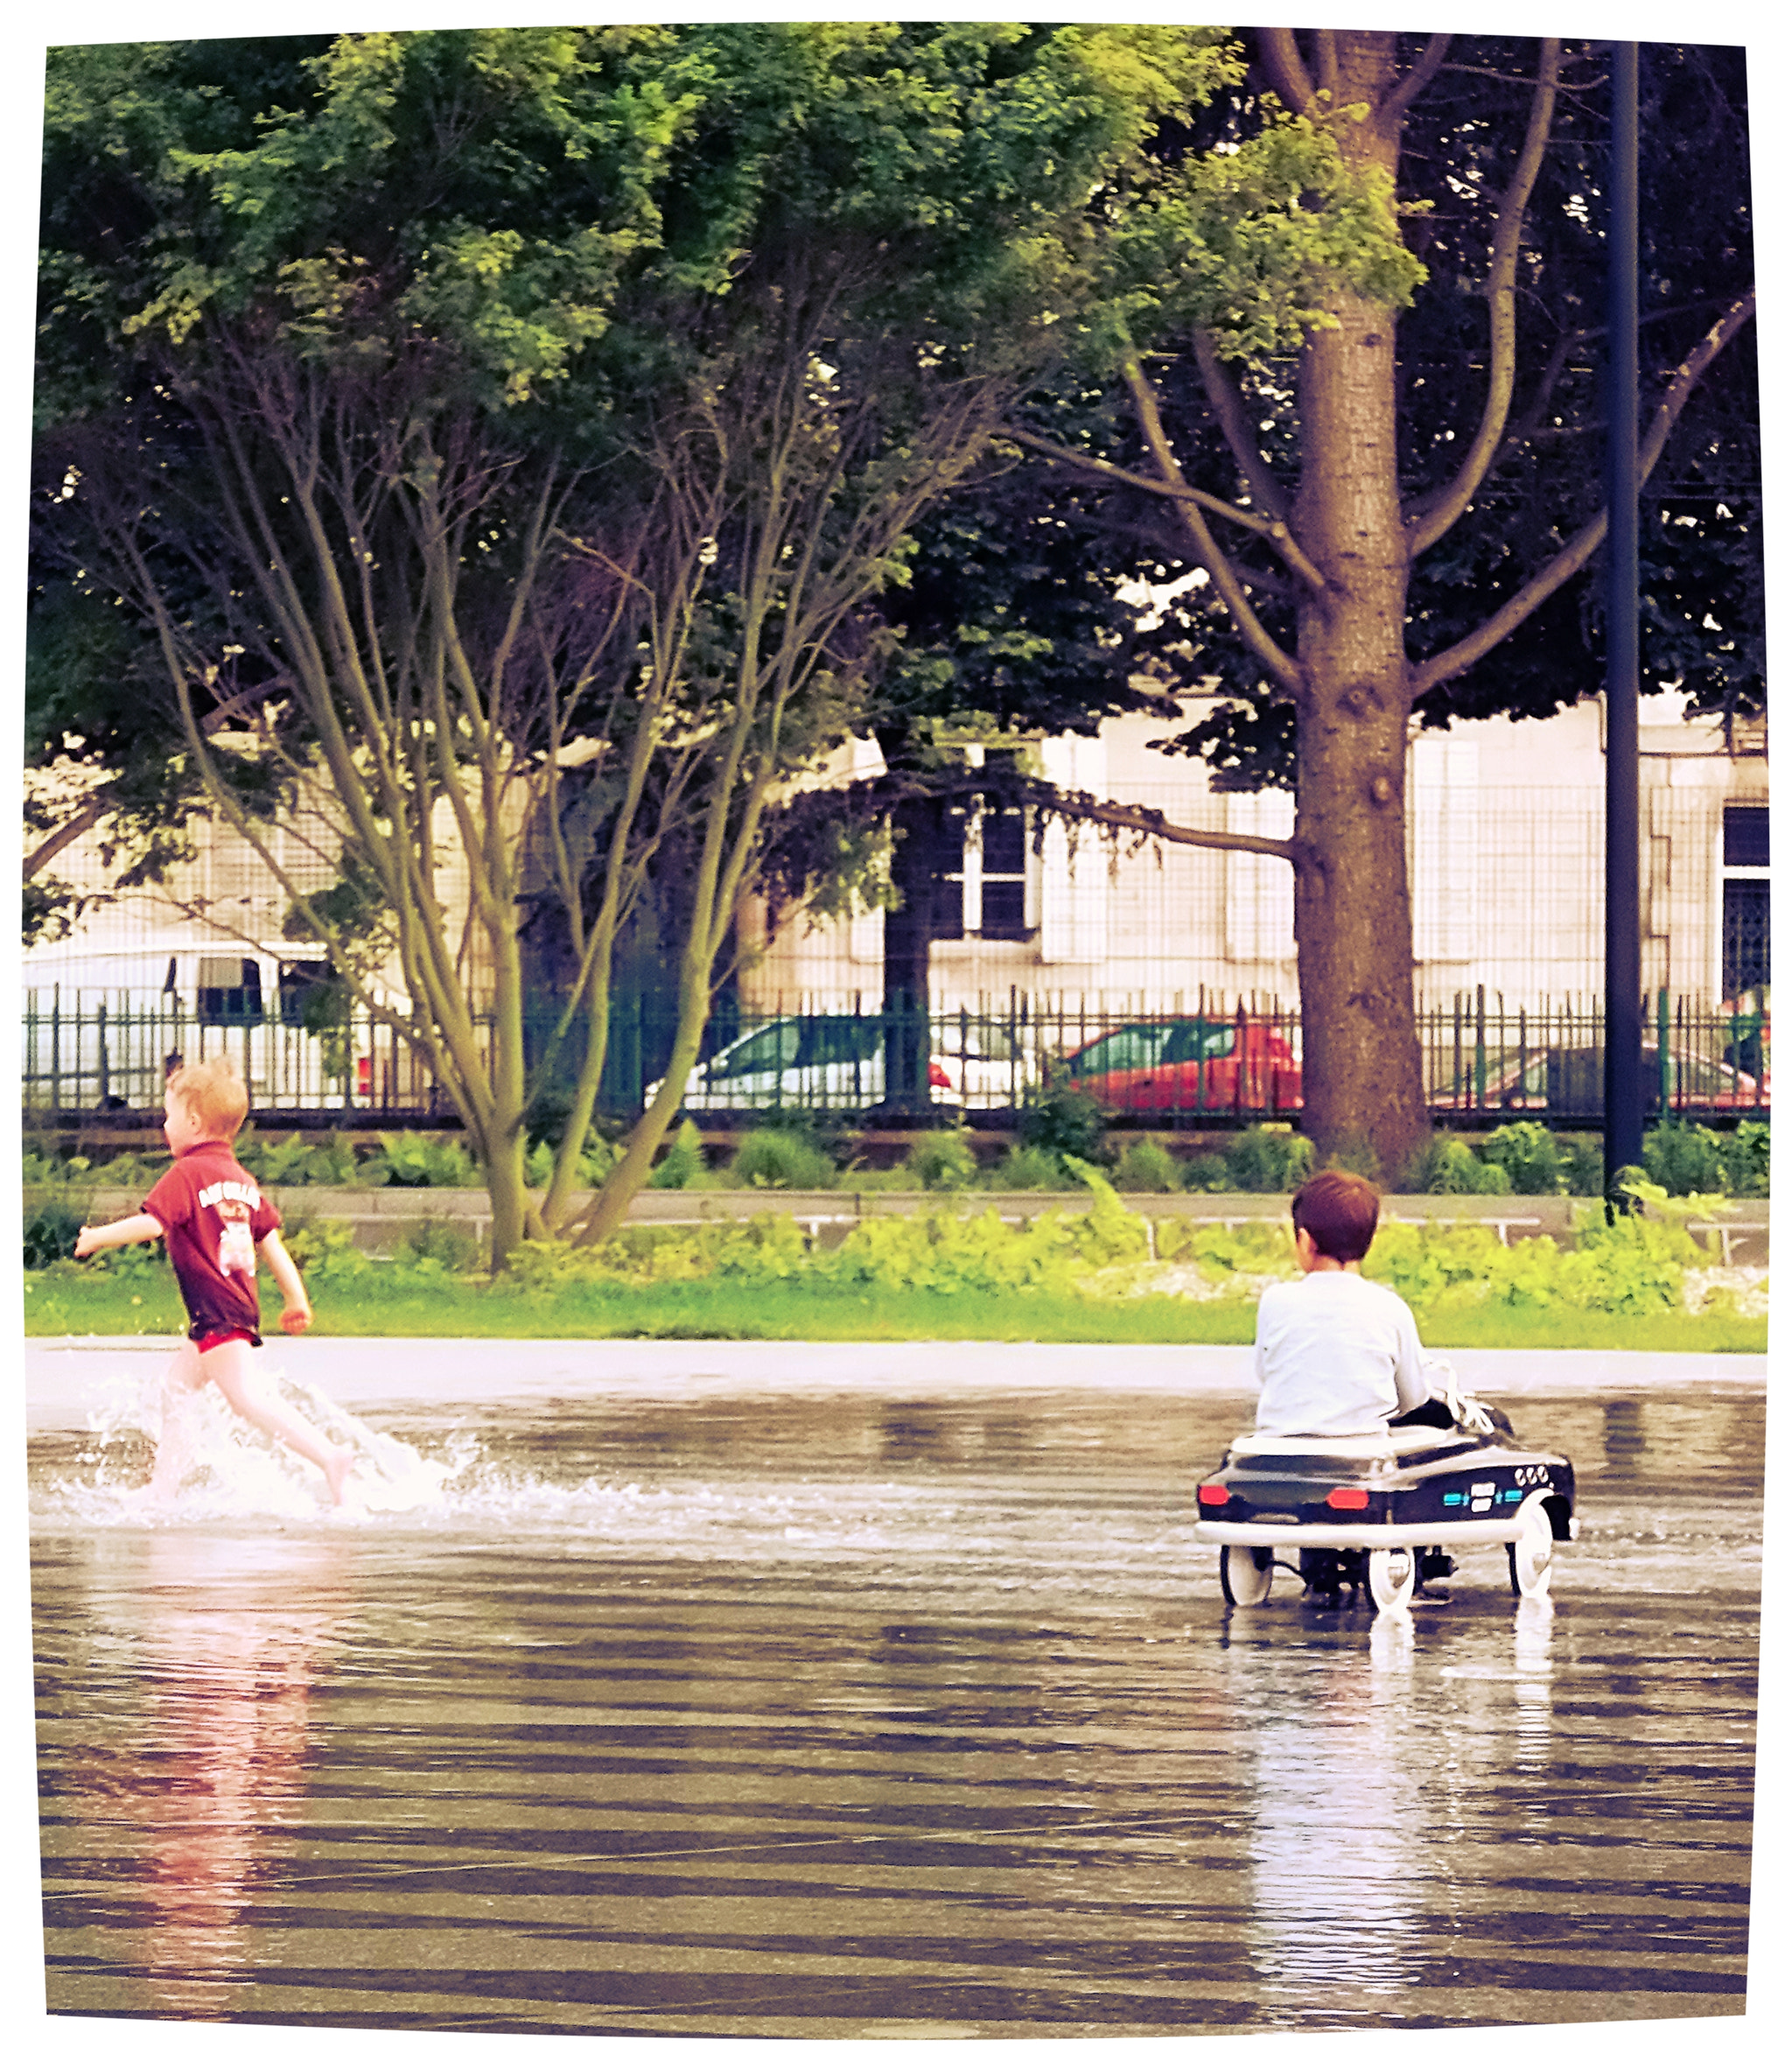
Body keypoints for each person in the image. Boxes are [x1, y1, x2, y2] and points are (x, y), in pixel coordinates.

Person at [74, 1057, 354, 1505]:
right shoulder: (241, 1180)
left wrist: (96, 1238)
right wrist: (296, 1299)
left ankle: (329, 1457)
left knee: (247, 1398)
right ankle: (163, 1488)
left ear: (193, 1120)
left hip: (220, 1312)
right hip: (227, 1308)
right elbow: (272, 1245)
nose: (164, 1126)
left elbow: (152, 1225)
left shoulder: (188, 1174)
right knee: (177, 1388)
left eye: (167, 1116)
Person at [1251, 1169, 1432, 1438]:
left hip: (1278, 1451)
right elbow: (1414, 1397)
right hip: (1360, 1456)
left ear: (1304, 1240)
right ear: (1368, 1241)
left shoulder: (1275, 1301)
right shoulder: (1391, 1309)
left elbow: (1265, 1374)